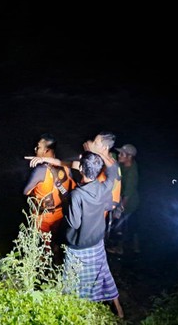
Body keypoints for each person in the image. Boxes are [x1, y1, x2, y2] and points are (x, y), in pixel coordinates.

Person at [61, 146, 124, 318]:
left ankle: (75, 313)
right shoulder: (105, 187)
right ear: (98, 170)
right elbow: (112, 170)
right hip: (97, 243)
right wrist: (102, 153)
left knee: (73, 282)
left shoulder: (77, 195)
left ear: (80, 169)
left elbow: (74, 223)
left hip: (79, 248)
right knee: (104, 273)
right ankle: (119, 311)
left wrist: (65, 208)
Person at [23, 133, 76, 264]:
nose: (36, 150)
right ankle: (55, 256)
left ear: (46, 150)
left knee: (42, 241)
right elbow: (71, 186)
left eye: (38, 147)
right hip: (59, 213)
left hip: (43, 216)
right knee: (53, 237)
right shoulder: (65, 166)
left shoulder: (40, 171)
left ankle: (46, 264)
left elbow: (26, 191)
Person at [108, 144, 140, 255]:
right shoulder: (124, 163)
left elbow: (127, 195)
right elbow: (111, 156)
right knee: (127, 226)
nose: (119, 155)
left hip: (129, 204)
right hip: (123, 198)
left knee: (122, 226)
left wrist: (119, 210)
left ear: (129, 157)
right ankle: (135, 247)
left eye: (122, 154)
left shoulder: (132, 174)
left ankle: (120, 248)